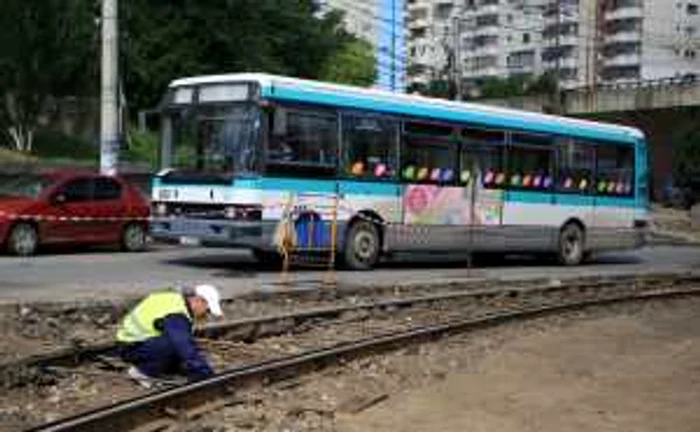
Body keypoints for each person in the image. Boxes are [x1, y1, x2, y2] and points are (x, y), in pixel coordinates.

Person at [115, 284, 224, 388]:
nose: (206, 314)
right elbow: (183, 345)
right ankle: (142, 372)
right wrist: (206, 374)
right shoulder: (177, 314)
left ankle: (160, 367)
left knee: (180, 344)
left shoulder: (175, 300)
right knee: (177, 343)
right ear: (199, 301)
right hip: (131, 348)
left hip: (138, 343)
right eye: (208, 310)